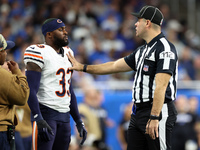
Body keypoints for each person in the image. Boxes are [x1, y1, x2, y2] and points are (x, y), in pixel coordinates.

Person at [67, 5, 178, 150]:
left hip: (157, 111)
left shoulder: (165, 49)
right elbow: (113, 66)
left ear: (148, 23)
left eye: (139, 20)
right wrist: (83, 67)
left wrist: (155, 116)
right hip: (138, 111)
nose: (135, 24)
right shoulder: (142, 51)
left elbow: (161, 86)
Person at [23, 18, 87, 150]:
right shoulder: (38, 51)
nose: (65, 32)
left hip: (64, 117)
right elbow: (31, 90)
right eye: (60, 29)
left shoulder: (69, 53)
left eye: (65, 29)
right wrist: (38, 118)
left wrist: (78, 120)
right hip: (46, 114)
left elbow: (69, 89)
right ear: (49, 34)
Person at [0, 34, 30, 150]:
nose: (6, 54)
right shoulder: (3, 75)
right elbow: (22, 97)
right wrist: (18, 73)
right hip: (1, 131)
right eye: (4, 50)